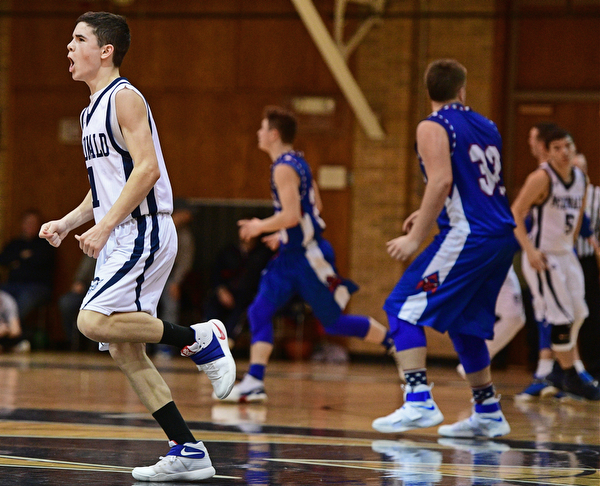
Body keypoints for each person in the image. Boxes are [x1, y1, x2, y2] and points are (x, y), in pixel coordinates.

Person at [38, 12, 235, 482]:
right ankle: (188, 450)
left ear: (105, 51)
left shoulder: (125, 98)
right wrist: (68, 223)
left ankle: (200, 338)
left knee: (90, 321)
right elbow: (107, 186)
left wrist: (105, 227)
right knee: (126, 351)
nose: (69, 47)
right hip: (125, 230)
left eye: (78, 39)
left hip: (143, 229)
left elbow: (146, 170)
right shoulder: (90, 111)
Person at [372, 59, 517, 438]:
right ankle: (487, 411)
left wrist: (414, 237)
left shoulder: (432, 124)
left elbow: (441, 181)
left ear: (428, 92)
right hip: (500, 237)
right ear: (462, 90)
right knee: (465, 325)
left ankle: (417, 400)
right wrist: (423, 213)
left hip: (469, 235)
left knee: (401, 308)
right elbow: (471, 185)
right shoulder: (488, 125)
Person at [224, 105, 393, 403]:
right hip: (290, 255)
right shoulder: (297, 161)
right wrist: (283, 234)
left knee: (333, 323)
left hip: (308, 258)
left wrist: (260, 226)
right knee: (258, 311)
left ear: (273, 135)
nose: (258, 133)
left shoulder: (283, 167)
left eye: (262, 128)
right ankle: (254, 380)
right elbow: (313, 209)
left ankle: (395, 342)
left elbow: (291, 214)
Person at [511, 127, 600, 400]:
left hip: (566, 254)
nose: (564, 152)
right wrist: (530, 250)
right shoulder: (541, 178)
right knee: (560, 316)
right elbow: (515, 213)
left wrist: (572, 244)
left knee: (579, 313)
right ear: (547, 153)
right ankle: (569, 375)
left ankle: (559, 373)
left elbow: (579, 218)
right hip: (543, 256)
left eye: (568, 146)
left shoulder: (581, 179)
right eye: (557, 148)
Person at [203, 232, 273, 347]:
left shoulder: (262, 254)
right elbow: (215, 274)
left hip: (247, 295)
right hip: (225, 292)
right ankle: (208, 341)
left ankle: (226, 343)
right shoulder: (228, 252)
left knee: (243, 309)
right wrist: (221, 290)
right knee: (212, 305)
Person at [456, 265, 525, 378]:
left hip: (500, 261)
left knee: (514, 318)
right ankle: (475, 367)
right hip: (474, 261)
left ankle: (475, 362)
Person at [572, 152, 600, 378]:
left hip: (588, 261)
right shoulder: (554, 191)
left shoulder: (596, 196)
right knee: (562, 315)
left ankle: (591, 368)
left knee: (588, 314)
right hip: (562, 259)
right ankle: (554, 368)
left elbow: (590, 229)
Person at [0, 209, 56, 321]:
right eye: (27, 223)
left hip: (37, 286)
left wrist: (18, 261)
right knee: (3, 295)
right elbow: (3, 260)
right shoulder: (15, 243)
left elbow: (42, 261)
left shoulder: (45, 244)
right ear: (22, 224)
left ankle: (11, 331)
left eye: (33, 223)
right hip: (13, 284)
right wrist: (23, 257)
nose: (30, 226)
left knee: (25, 298)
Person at [58, 254, 95, 349]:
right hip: (88, 286)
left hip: (109, 290)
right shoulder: (97, 245)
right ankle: (72, 341)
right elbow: (85, 267)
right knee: (66, 302)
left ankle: (95, 343)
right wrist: (79, 280)